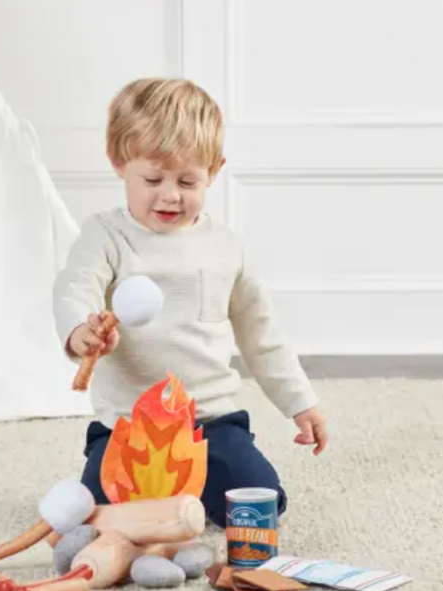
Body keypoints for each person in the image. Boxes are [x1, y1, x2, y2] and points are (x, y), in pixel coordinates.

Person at [52, 77, 327, 527]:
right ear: (119, 162)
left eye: (187, 180)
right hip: (128, 427)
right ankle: (164, 503)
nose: (170, 195)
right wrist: (82, 330)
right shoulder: (105, 235)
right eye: (152, 179)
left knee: (259, 506)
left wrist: (301, 403)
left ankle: (179, 495)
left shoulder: (226, 247)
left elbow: (261, 334)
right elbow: (75, 286)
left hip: (210, 421)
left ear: (214, 171)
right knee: (94, 510)